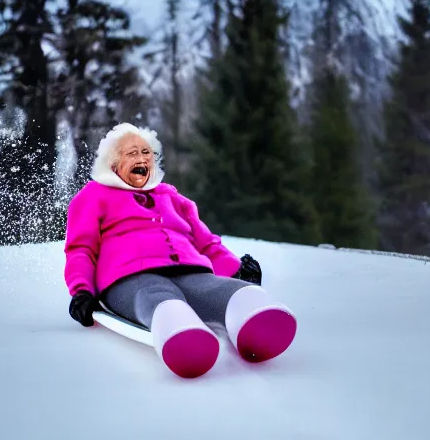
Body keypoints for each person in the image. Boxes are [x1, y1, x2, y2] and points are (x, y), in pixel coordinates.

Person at [64, 123, 297, 378]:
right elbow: (81, 249)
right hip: (129, 278)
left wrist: (236, 271)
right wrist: (81, 291)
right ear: (113, 163)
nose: (142, 158)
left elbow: (206, 242)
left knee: (217, 290)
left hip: (189, 270)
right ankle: (181, 335)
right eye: (132, 153)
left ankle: (251, 315)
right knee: (156, 297)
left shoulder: (171, 196)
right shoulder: (93, 196)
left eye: (146, 153)